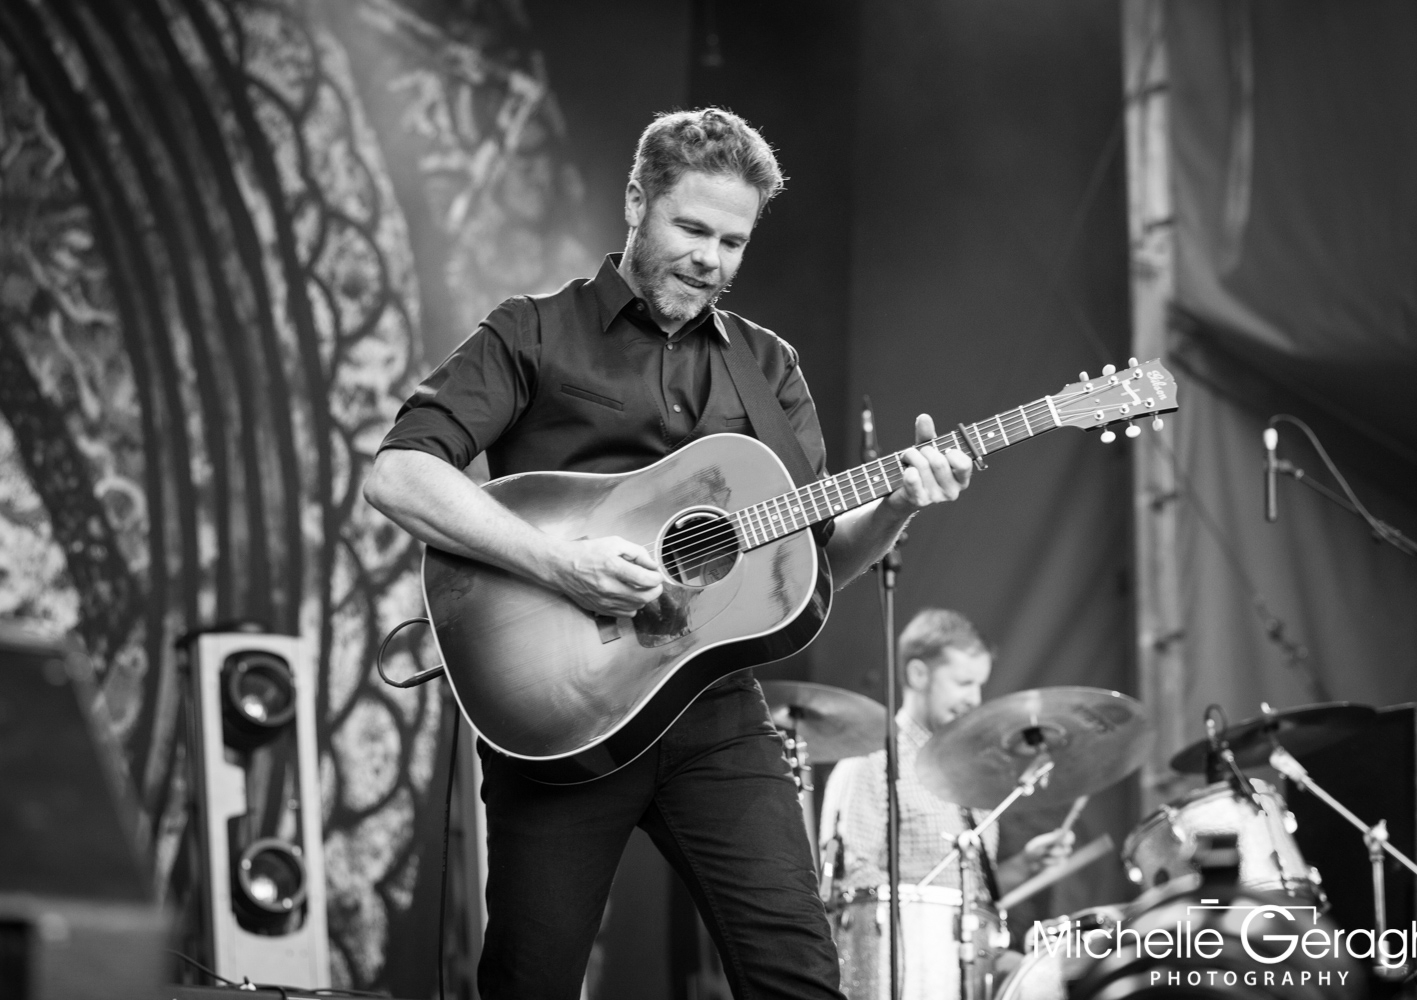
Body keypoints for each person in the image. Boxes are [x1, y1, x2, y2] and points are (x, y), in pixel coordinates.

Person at [364, 108, 975, 999]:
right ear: (636, 202)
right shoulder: (534, 331)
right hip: (560, 717)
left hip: (716, 715)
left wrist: (896, 507)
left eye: (733, 243)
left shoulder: (769, 367)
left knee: (801, 980)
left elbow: (808, 568)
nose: (711, 260)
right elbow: (400, 476)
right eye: (692, 229)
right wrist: (559, 565)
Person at [820, 608, 1074, 906]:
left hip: (967, 950)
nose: (975, 700)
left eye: (980, 685)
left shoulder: (970, 768)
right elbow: (849, 879)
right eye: (964, 683)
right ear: (918, 674)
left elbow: (969, 902)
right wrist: (924, 919)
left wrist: (1025, 866)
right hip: (903, 948)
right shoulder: (869, 763)